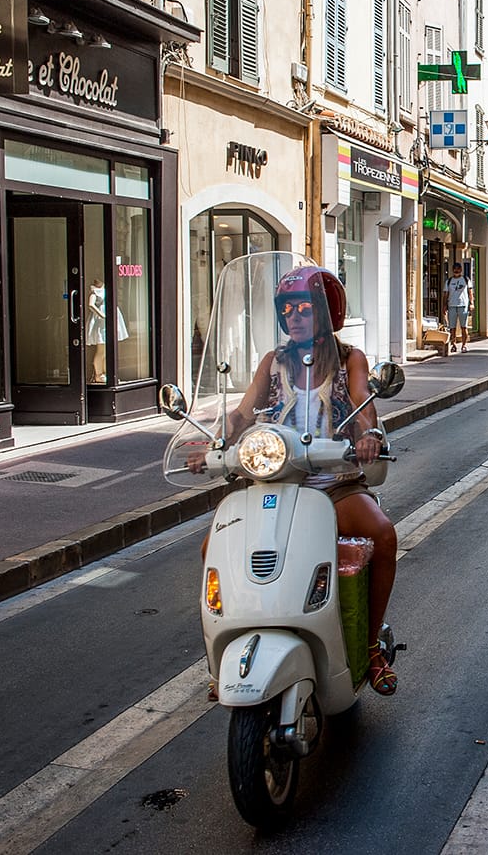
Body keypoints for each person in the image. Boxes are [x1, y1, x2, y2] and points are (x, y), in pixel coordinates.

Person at [192, 267, 399, 696]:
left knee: (382, 534)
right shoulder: (275, 361)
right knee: (213, 546)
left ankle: (371, 646)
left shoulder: (350, 359)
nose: (295, 317)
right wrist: (213, 443)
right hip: (277, 483)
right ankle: (220, 654)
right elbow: (242, 414)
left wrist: (368, 436)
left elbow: (362, 402)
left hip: (335, 482)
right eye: (287, 310)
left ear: (325, 313)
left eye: (304, 308)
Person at [445, 262, 473, 353]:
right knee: (452, 328)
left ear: (461, 270)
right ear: (452, 270)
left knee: (463, 327)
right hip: (452, 305)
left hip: (463, 305)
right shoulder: (449, 281)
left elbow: (470, 292)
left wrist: (471, 303)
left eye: (458, 269)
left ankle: (464, 345)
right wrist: (444, 305)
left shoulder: (466, 280)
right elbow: (446, 294)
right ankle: (453, 345)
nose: (456, 270)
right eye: (455, 269)